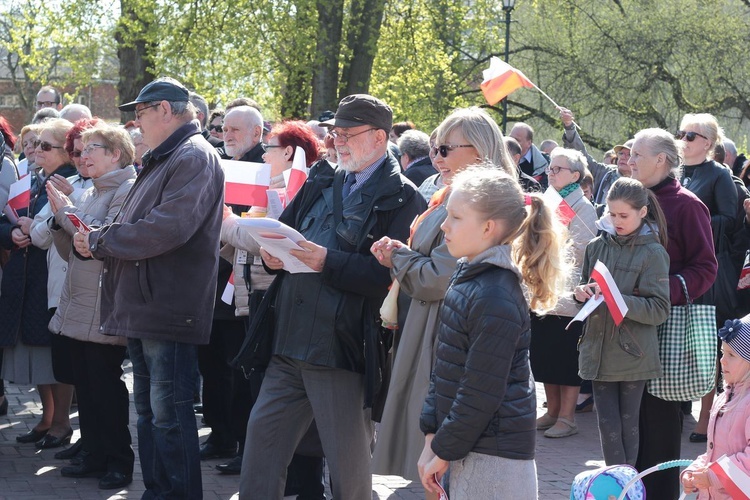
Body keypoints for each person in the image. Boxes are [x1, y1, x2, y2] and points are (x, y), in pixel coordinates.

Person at [240, 94, 425, 499]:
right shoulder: (323, 176)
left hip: (341, 350)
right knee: (259, 456)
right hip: (287, 341)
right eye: (335, 133)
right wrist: (271, 254)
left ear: (379, 137)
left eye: (348, 134)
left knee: (349, 474)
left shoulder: (405, 197)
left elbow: (390, 277)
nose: (338, 141)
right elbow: (284, 229)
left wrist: (329, 262)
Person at [72, 77, 224, 499]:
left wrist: (101, 239)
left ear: (165, 109)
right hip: (148, 304)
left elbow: (166, 229)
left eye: (140, 112)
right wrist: (103, 235)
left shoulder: (192, 156)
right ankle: (158, 492)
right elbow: (143, 225)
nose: (136, 122)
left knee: (169, 415)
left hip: (167, 306)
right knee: (151, 413)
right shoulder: (167, 156)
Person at [371, 106, 517, 489]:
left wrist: (398, 256)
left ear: (480, 150)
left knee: (449, 443)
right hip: (431, 321)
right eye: (435, 148)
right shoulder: (448, 194)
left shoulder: (486, 202)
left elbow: (439, 276)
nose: (436, 157)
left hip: (444, 324)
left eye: (446, 148)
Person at [418, 165, 571, 500]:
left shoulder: (494, 294)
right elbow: (445, 368)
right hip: (466, 447)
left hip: (493, 460)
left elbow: (480, 391)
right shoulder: (471, 275)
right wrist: (432, 437)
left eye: (456, 217)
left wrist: (442, 449)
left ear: (488, 227)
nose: (444, 225)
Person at [628, 128, 717, 499]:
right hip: (625, 330)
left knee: (659, 431)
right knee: (626, 428)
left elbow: (706, 267)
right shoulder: (627, 199)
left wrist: (664, 290)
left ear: (661, 160)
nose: (628, 161)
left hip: (667, 331)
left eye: (636, 155)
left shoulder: (687, 204)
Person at [47, 125, 137, 489]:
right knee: (87, 384)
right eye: (81, 151)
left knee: (106, 387)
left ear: (115, 153)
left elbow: (99, 240)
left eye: (91, 150)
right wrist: (59, 219)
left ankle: (118, 461)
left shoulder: (127, 190)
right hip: (82, 301)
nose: (82, 157)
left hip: (103, 304)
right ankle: (95, 452)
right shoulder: (93, 190)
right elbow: (73, 249)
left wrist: (67, 214)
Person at [574, 177, 671, 465]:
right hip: (598, 347)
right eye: (612, 214)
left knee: (627, 427)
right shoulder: (596, 246)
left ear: (643, 212)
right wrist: (581, 293)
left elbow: (659, 309)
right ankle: (618, 486)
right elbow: (584, 286)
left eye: (624, 215)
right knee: (607, 427)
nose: (617, 221)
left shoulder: (653, 252)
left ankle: (626, 487)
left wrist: (617, 297)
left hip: (633, 352)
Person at [0, 119, 77, 449]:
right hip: (25, 276)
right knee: (35, 348)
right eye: (33, 145)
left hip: (53, 277)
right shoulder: (28, 179)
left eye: (45, 145)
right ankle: (47, 419)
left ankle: (61, 423)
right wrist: (12, 233)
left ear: (64, 150)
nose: (34, 150)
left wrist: (35, 230)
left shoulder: (74, 183)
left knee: (55, 353)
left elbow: (69, 225)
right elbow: (6, 220)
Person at [676, 113, 739, 444]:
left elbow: (730, 220)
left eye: (691, 135)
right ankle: (678, 404)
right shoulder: (676, 173)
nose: (684, 139)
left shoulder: (719, 175)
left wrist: (693, 219)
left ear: (708, 143)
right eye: (682, 133)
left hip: (709, 273)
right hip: (678, 266)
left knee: (708, 347)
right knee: (682, 343)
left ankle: (705, 418)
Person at [532, 148, 597, 439]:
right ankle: (552, 411)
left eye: (559, 169)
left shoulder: (583, 207)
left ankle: (568, 417)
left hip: (568, 291)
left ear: (575, 175)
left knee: (566, 357)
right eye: (550, 167)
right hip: (542, 286)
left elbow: (583, 249)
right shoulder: (546, 199)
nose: (551, 172)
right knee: (546, 355)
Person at [681, 313, 750, 499]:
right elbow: (713, 451)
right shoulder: (725, 396)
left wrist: (712, 476)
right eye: (722, 353)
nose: (722, 360)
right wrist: (695, 471)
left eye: (731, 355)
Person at [560, 107, 632, 206]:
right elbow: (580, 155)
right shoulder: (605, 173)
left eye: (629, 154)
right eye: (621, 153)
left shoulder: (645, 183)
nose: (623, 157)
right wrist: (569, 126)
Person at [509, 121, 550, 187]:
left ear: (529, 143)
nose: (511, 142)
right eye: (510, 138)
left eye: (517, 140)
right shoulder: (499, 157)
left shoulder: (544, 163)